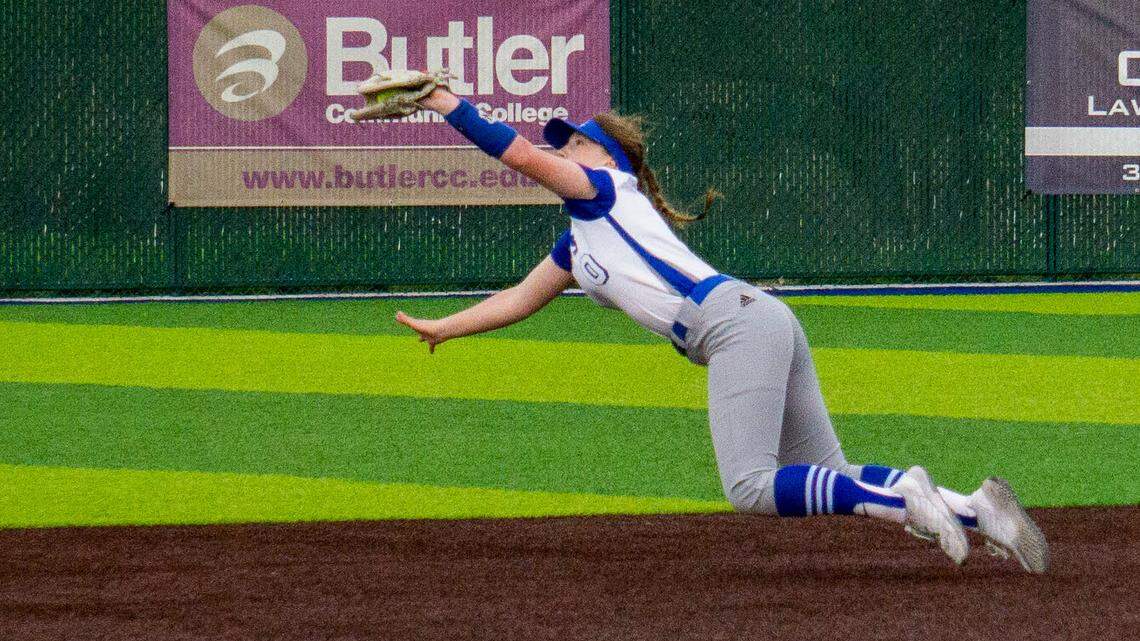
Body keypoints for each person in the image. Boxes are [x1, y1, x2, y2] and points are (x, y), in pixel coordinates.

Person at [393, 84, 1049, 573]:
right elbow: (518, 297)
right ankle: (980, 508)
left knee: (751, 485)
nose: (563, 146)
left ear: (608, 158)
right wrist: (445, 327)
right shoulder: (580, 243)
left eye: (576, 139)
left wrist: (450, 104)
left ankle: (904, 494)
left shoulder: (602, 189)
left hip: (731, 325)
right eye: (564, 140)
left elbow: (521, 158)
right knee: (826, 469)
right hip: (756, 319)